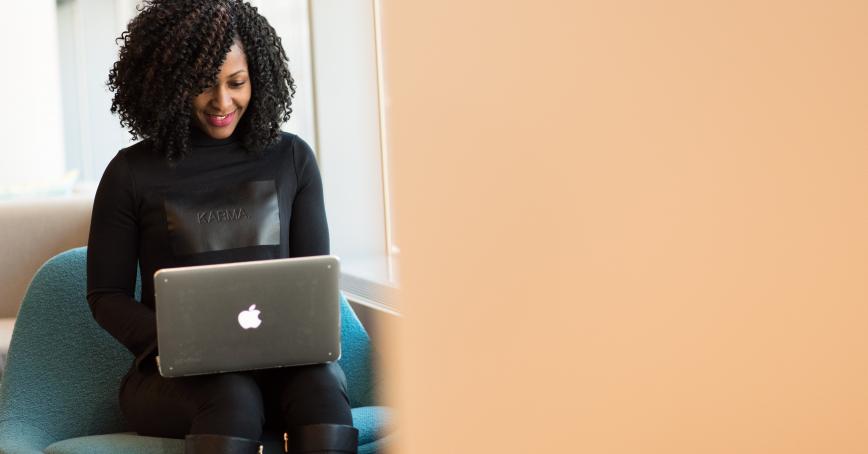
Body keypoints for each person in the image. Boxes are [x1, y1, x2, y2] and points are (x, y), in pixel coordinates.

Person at [86, 1, 357, 452]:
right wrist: (183, 342)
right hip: (177, 377)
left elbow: (313, 283)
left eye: (237, 83)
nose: (222, 102)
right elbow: (105, 296)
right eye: (202, 86)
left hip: (284, 367)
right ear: (170, 85)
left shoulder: (293, 159)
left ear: (258, 77)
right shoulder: (130, 172)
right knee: (233, 395)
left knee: (322, 394)